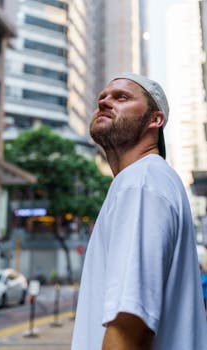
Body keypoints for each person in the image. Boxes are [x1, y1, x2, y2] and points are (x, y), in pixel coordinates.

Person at [71, 73, 207, 350]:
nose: (105, 102)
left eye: (121, 97)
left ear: (155, 120)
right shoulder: (143, 181)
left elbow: (130, 319)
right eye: (102, 99)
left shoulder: (141, 181)